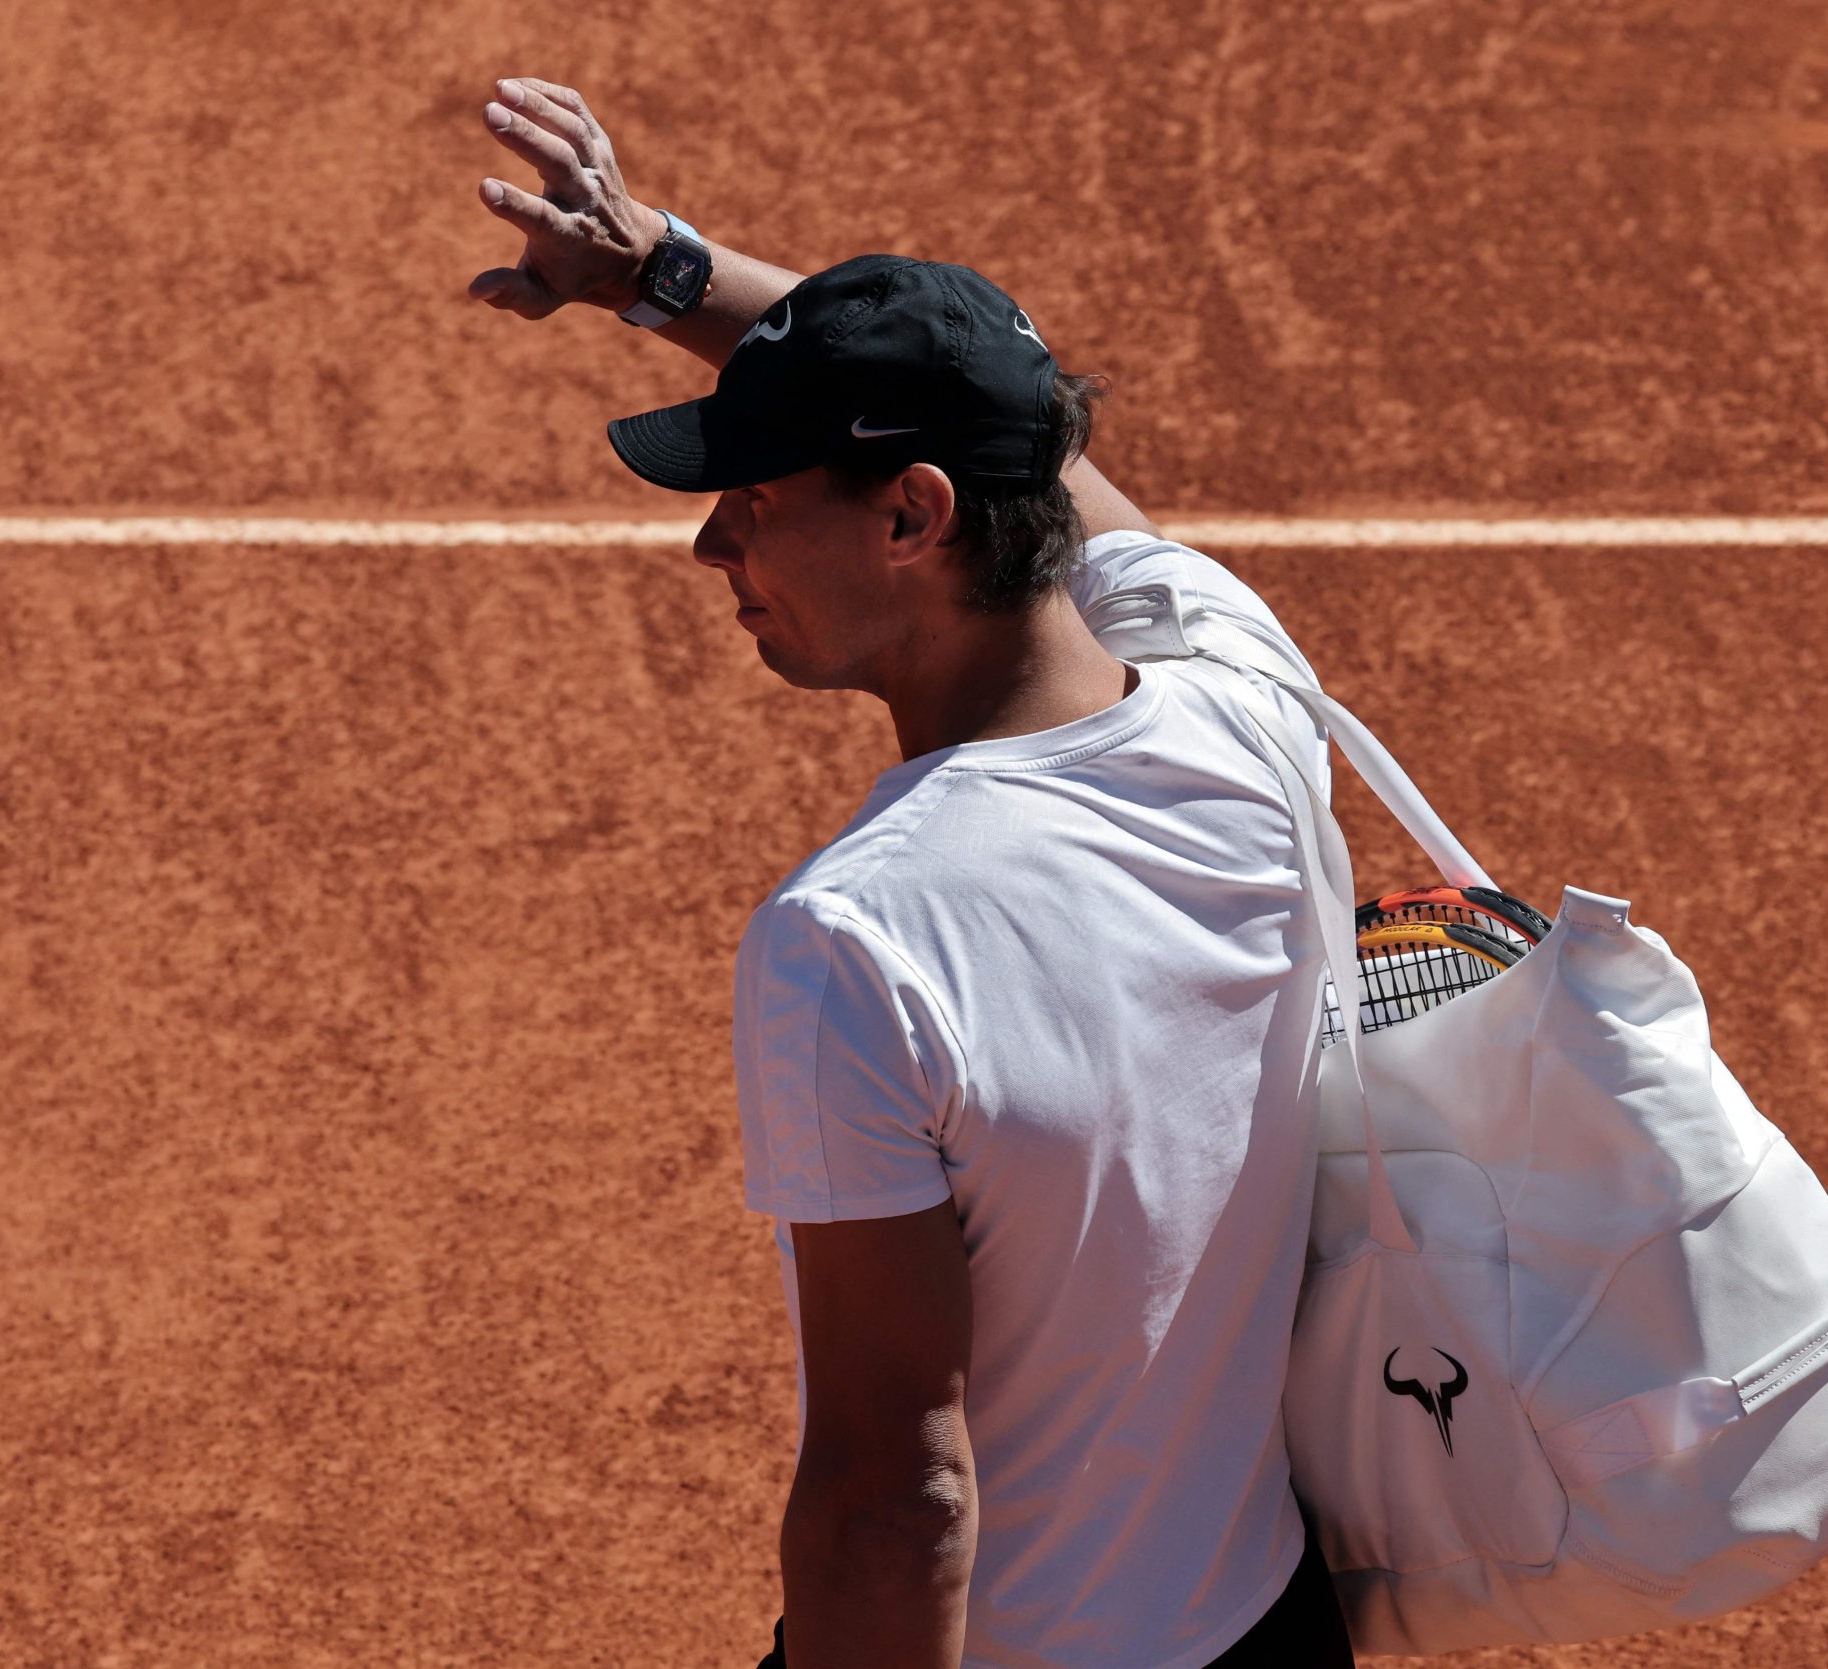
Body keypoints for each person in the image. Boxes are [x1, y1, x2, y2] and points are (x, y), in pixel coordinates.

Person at [467, 76, 1356, 1669]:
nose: (711, 548)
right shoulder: (1251, 699)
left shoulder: (862, 941)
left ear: (912, 518)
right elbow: (1045, 451)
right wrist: (664, 275)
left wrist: (683, 278)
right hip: (1261, 1627)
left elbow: (903, 1500)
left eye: (751, 497)